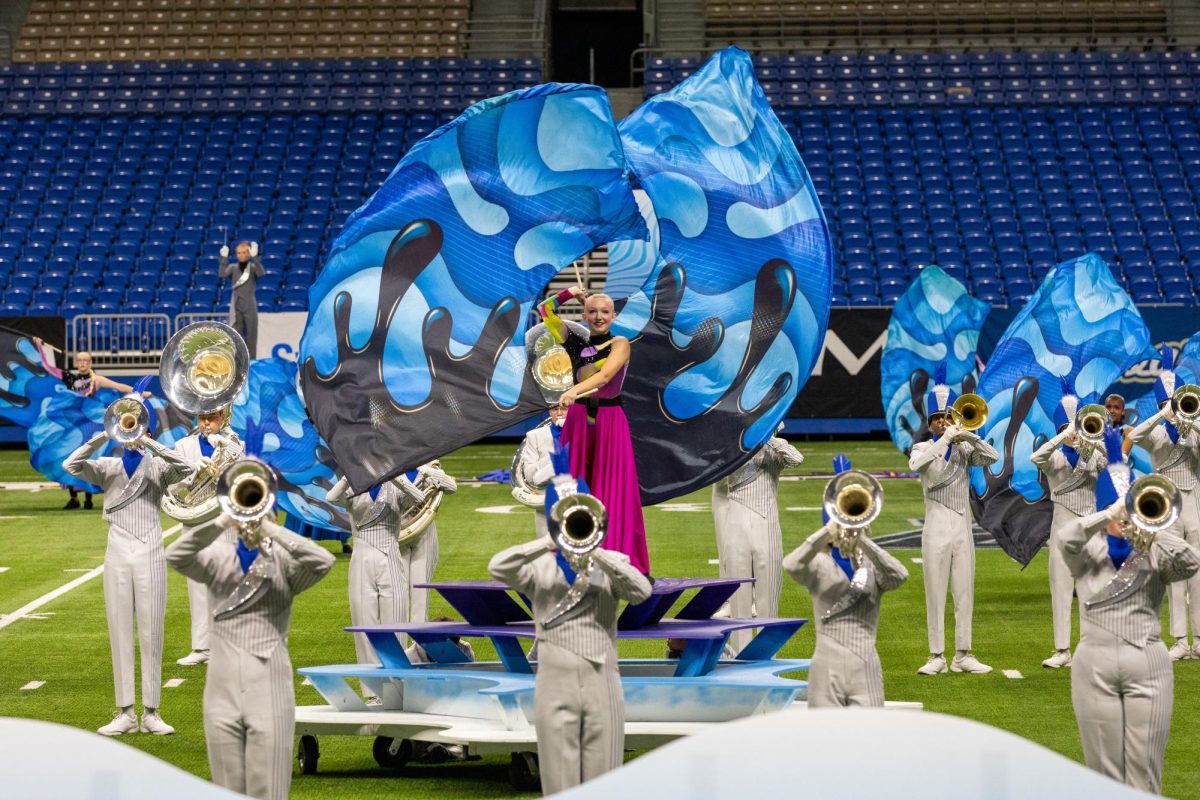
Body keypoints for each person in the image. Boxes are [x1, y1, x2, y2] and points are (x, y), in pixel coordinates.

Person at [489, 465, 652, 796]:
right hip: (554, 681)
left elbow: (641, 592)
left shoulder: (611, 561)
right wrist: (545, 543)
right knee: (558, 778)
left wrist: (599, 552)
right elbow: (498, 566)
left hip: (602, 678)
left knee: (604, 778)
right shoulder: (538, 567)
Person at [1060, 426, 1199, 794]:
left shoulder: (1154, 549)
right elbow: (1065, 538)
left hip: (1148, 659)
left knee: (1145, 773)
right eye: (1120, 513)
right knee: (1102, 773)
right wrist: (1105, 514)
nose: (1124, 521)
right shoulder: (1088, 553)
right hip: (1095, 661)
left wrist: (1152, 527)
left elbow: (1190, 561)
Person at [166, 511, 335, 800]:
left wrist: (274, 532)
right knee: (226, 789)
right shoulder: (218, 556)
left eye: (261, 509)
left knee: (268, 788)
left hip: (269, 684)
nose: (253, 517)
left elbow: (323, 561)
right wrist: (221, 522)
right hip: (221, 688)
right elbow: (175, 555)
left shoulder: (283, 560)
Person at [62, 405, 192, 736]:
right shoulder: (107, 466)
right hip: (117, 548)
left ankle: (152, 712)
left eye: (135, 425)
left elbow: (187, 468)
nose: (130, 431)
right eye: (125, 426)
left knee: (152, 628)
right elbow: (71, 464)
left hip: (150, 546)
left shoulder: (158, 466)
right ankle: (125, 712)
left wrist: (151, 443)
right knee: (120, 628)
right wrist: (102, 437)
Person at [539, 285, 649, 575]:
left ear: (613, 315)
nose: (599, 316)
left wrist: (573, 390)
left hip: (610, 421)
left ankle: (617, 557)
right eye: (592, 311)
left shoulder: (620, 343)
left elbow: (605, 376)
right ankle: (573, 557)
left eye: (604, 312)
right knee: (572, 488)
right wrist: (569, 292)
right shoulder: (574, 343)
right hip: (578, 421)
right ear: (584, 315)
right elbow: (544, 311)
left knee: (613, 489)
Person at [783, 455, 908, 707]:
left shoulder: (871, 565)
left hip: (865, 663)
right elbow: (790, 564)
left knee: (869, 738)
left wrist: (861, 538)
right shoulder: (818, 565)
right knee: (823, 739)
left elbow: (899, 575)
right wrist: (825, 532)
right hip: (825, 665)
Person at [908, 367, 999, 676]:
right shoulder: (923, 447)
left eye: (947, 417)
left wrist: (967, 433)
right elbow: (920, 467)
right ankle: (936, 655)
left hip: (962, 526)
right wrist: (947, 437)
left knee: (964, 591)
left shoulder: (963, 447)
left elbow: (993, 457)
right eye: (938, 419)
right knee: (935, 592)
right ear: (930, 423)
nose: (944, 422)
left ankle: (963, 654)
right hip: (935, 526)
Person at [1127, 347, 1200, 660]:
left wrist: (1190, 421)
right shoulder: (1156, 432)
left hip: (1194, 502)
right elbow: (1136, 434)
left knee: (1197, 574)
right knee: (1174, 574)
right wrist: (1163, 414)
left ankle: (1198, 639)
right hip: (1167, 506)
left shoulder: (1194, 433)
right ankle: (1180, 640)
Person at [327, 470, 425, 702]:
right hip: (361, 558)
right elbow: (332, 498)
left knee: (396, 624)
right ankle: (371, 692)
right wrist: (349, 476)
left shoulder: (395, 487)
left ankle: (397, 687)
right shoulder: (355, 485)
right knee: (364, 624)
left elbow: (419, 499)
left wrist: (398, 478)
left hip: (390, 556)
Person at [1030, 383, 1105, 668]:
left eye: (1076, 426)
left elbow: (1114, 462)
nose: (1073, 432)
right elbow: (1035, 458)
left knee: (1091, 592)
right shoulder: (1054, 457)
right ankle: (1062, 650)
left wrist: (1092, 440)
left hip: (1089, 531)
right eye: (1067, 427)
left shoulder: (1094, 454)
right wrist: (1061, 436)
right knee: (1060, 591)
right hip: (1061, 532)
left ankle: (1091, 649)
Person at [712, 426, 803, 652]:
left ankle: (766, 656)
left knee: (768, 596)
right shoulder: (732, 446)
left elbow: (796, 459)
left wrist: (767, 436)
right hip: (735, 522)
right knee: (738, 597)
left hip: (767, 523)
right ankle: (740, 656)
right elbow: (716, 476)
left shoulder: (774, 449)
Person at [172, 407, 243, 667]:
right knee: (197, 587)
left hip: (224, 522)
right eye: (202, 418)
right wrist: (194, 470)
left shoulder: (236, 444)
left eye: (212, 418)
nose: (206, 423)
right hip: (193, 521)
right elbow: (173, 486)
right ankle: (201, 647)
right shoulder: (182, 445)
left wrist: (226, 445)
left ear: (222, 418)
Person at [51, 347, 143, 510]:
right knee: (69, 457)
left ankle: (88, 498)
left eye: (85, 360)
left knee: (87, 458)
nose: (82, 363)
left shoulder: (96, 380)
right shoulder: (70, 379)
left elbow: (119, 386)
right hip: (73, 426)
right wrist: (39, 347)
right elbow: (50, 368)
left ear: (90, 362)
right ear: (76, 363)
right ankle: (73, 498)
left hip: (88, 426)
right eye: (79, 360)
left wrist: (139, 392)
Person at [398, 462, 458, 633]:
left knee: (420, 592)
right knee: (398, 592)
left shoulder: (427, 464)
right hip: (397, 531)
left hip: (424, 532)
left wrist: (428, 471)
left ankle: (419, 645)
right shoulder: (391, 465)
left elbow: (451, 486)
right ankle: (399, 637)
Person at [513, 406, 566, 538]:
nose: (559, 413)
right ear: (549, 412)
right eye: (554, 409)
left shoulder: (582, 432)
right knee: (546, 552)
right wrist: (556, 454)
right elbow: (531, 477)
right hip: (545, 500)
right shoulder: (534, 435)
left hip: (575, 499)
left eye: (564, 409)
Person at [219, 241, 263, 358]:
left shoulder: (252, 268)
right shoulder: (233, 268)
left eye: (244, 252)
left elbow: (261, 273)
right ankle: (239, 362)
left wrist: (255, 257)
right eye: (239, 253)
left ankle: (251, 362)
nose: (241, 255)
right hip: (237, 305)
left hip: (249, 305)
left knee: (251, 337)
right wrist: (223, 258)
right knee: (236, 336)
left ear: (248, 254)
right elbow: (222, 274)